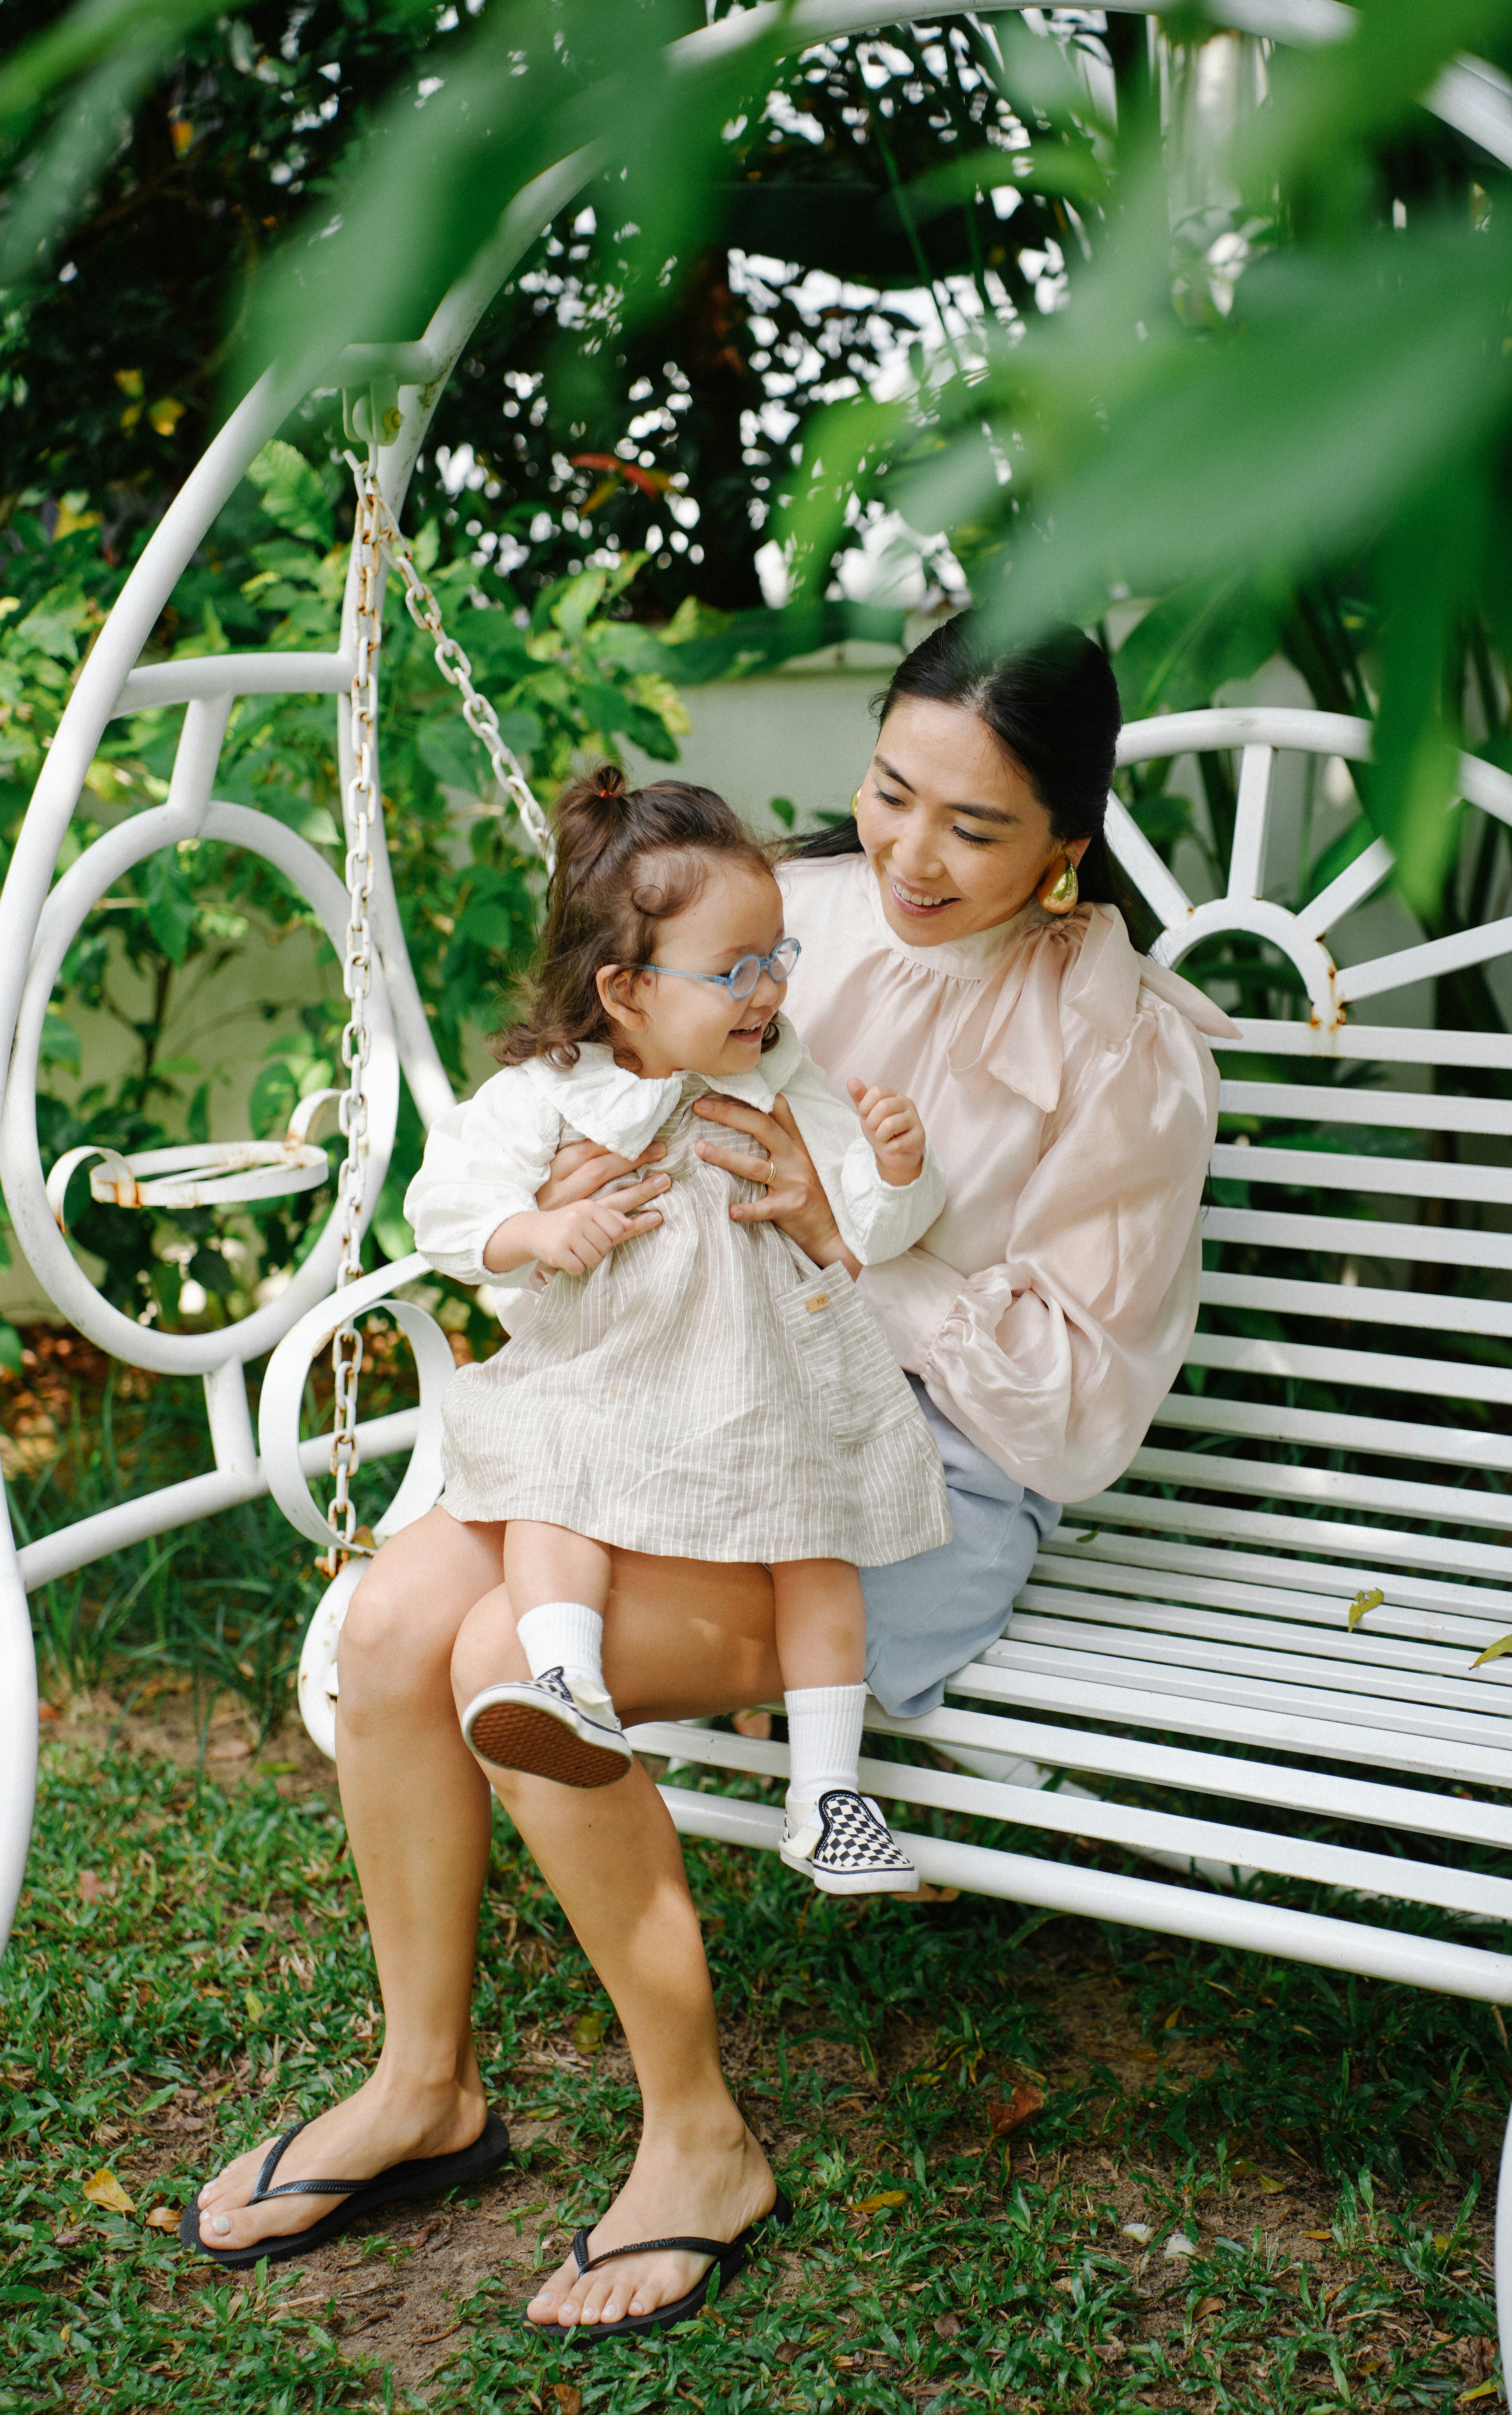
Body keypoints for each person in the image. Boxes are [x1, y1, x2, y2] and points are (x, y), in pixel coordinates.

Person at [184, 613, 1234, 2347]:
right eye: (890, 793)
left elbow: (1070, 1413)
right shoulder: (784, 912)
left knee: (507, 1659)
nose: (907, 856)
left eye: (975, 831)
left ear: (1068, 839)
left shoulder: (1111, 1044)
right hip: (673, 1407)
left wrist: (849, 1249)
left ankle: (700, 2142)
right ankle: (424, 2083)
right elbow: (591, 1075)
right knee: (391, 1627)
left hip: (917, 1476)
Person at [403, 764, 952, 1895]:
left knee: (819, 1541)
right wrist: (530, 1233)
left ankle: (829, 1795)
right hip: (613, 1372)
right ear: (626, 991)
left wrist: (900, 1173)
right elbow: (442, 1206)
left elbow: (865, 1221)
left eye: (779, 958)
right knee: (556, 1482)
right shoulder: (552, 1098)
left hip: (764, 1374)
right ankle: (566, 1685)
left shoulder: (784, 1078)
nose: (768, 991)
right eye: (736, 970)